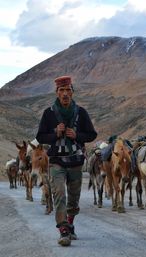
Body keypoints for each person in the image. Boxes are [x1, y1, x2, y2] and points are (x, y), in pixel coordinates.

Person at [36, 76, 97, 247]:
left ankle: (70, 222)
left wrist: (77, 135)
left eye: (68, 90)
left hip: (76, 161)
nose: (65, 94)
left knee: (74, 198)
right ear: (56, 92)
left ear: (72, 92)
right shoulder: (49, 113)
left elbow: (92, 134)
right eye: (61, 90)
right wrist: (55, 133)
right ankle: (63, 229)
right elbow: (40, 136)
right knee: (59, 194)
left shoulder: (81, 112)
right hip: (56, 161)